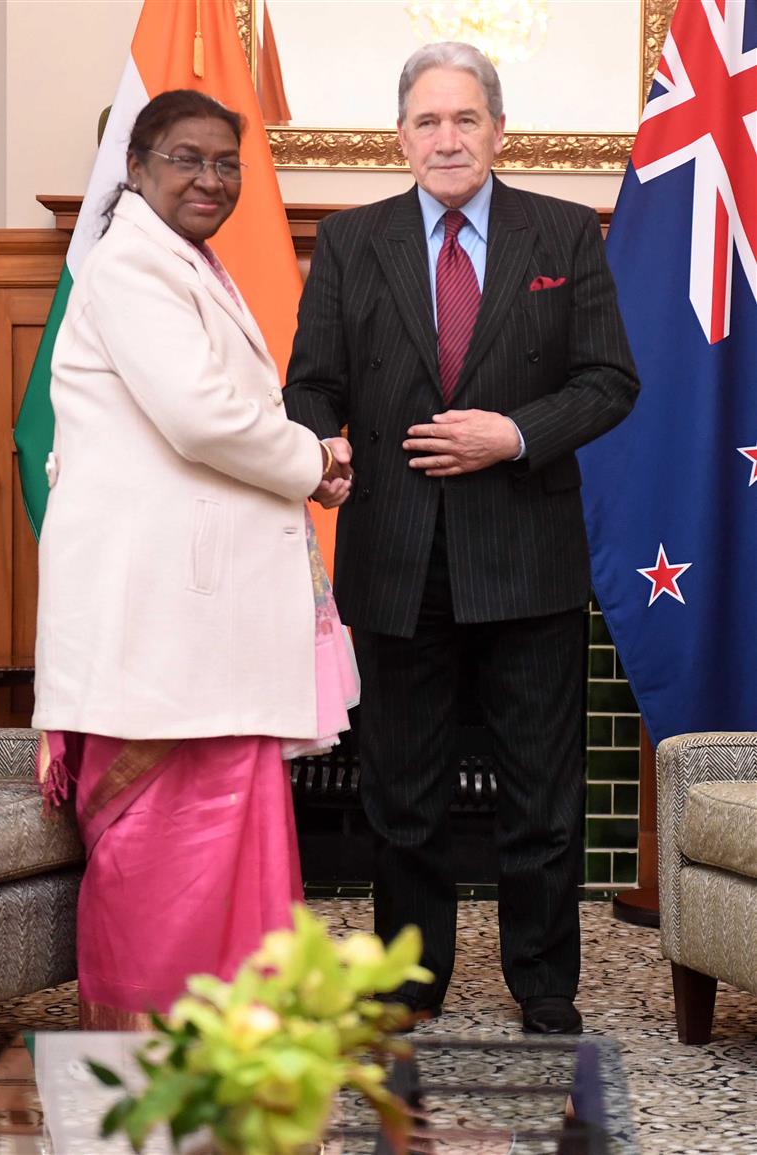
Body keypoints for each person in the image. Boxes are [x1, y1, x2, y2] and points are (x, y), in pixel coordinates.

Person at [283, 43, 639, 1035]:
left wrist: (514, 433)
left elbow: (609, 380)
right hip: (394, 558)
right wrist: (322, 442)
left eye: (464, 119)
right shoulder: (352, 242)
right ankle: (409, 979)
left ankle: (542, 982)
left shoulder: (564, 233)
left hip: (526, 554)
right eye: (427, 122)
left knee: (540, 789)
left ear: (496, 130)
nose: (446, 138)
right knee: (403, 793)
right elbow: (311, 381)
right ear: (400, 137)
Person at [32, 89, 356, 1029]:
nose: (211, 179)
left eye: (226, 162)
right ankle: (145, 1077)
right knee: (159, 870)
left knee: (224, 866)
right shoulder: (132, 264)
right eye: (186, 158)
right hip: (156, 643)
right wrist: (314, 461)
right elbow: (201, 415)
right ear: (134, 169)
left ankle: (230, 1060)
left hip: (198, 647)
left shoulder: (185, 263)